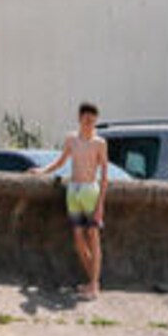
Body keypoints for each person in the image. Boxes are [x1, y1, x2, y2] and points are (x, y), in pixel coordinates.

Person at [36, 102, 109, 295]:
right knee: (78, 238)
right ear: (79, 119)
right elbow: (61, 161)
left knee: (93, 236)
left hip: (90, 191)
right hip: (74, 190)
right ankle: (92, 281)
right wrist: (41, 171)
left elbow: (105, 175)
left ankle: (93, 283)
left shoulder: (100, 143)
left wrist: (100, 204)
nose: (89, 124)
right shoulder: (71, 139)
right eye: (86, 120)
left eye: (93, 121)